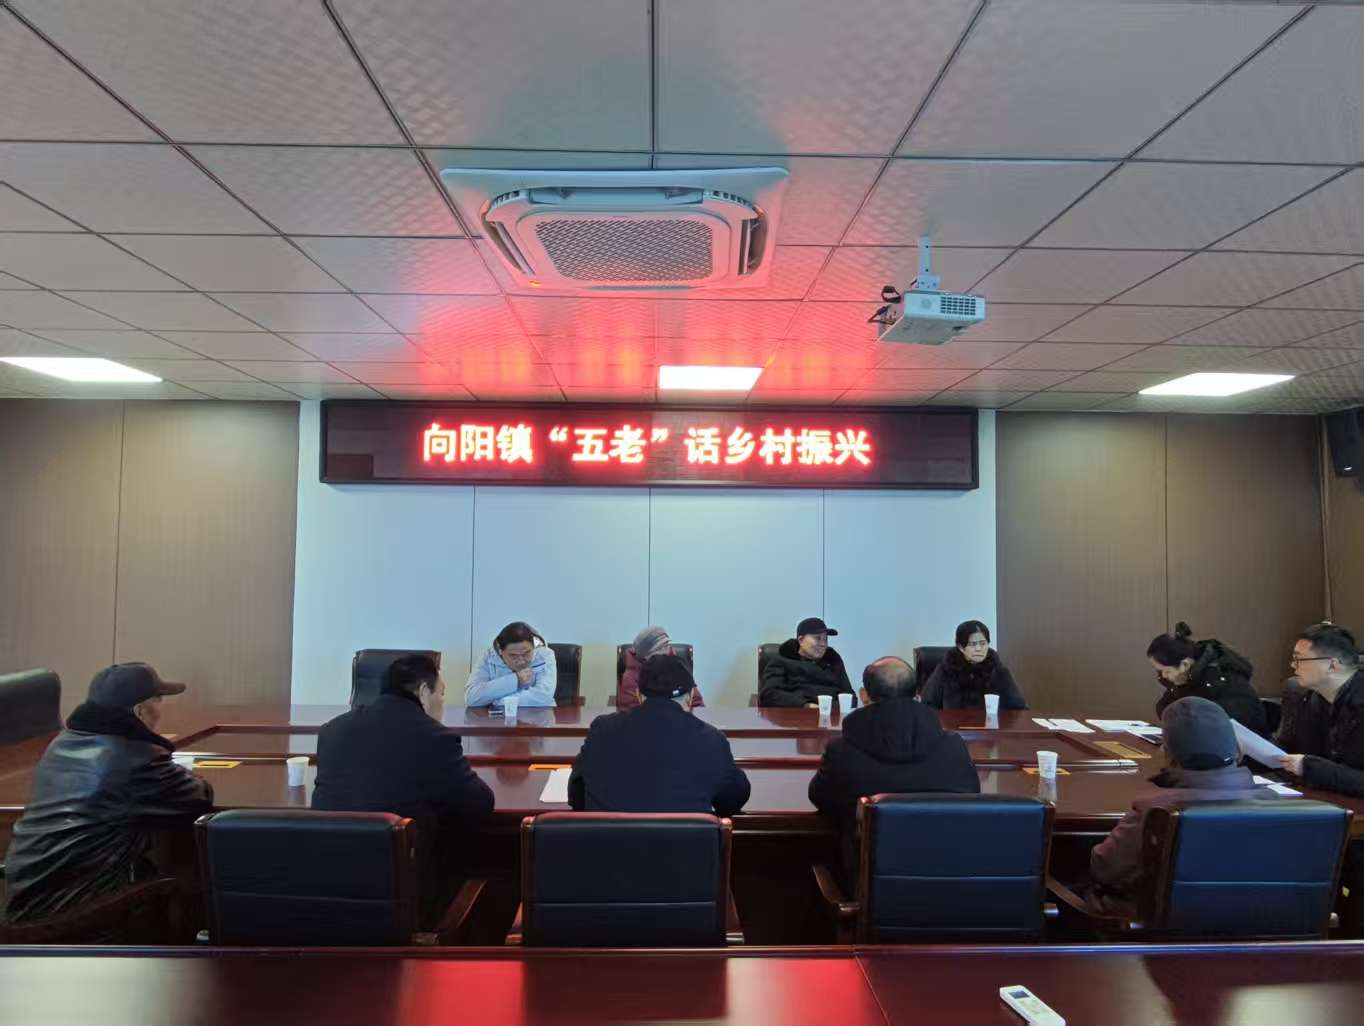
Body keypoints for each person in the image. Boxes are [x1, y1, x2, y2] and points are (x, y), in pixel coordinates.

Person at [1, 663, 213, 925]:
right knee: (188, 885)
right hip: (78, 915)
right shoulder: (135, 759)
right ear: (139, 710)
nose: (161, 709)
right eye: (158, 700)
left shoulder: (60, 744)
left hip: (25, 905)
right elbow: (198, 797)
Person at [313, 654, 493, 923]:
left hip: (326, 894)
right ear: (424, 692)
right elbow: (479, 804)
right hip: (400, 902)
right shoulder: (434, 738)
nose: (442, 703)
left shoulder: (333, 730)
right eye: (441, 694)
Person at [1086, 697, 1275, 915]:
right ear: (1238, 750)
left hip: (1157, 928)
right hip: (1257, 925)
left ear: (1167, 755)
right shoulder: (1272, 804)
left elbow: (1105, 870)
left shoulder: (1155, 809)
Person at [809, 656, 980, 883]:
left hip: (868, 887)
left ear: (864, 696)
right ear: (917, 696)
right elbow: (971, 796)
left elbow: (821, 798)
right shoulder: (953, 747)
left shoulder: (841, 751)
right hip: (949, 883)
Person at [569, 654, 749, 816]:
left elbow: (576, 795)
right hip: (686, 844)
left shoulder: (602, 730)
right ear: (690, 697)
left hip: (608, 843)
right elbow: (732, 800)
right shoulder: (711, 740)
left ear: (638, 695)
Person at [1276, 623, 1364, 796]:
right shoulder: (1302, 696)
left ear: (1332, 665)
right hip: (1316, 797)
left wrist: (1309, 767)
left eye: (1299, 659)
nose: (1293, 665)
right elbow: (1286, 749)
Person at [1146, 622, 1267, 735]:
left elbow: (1210, 723)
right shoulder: (1185, 678)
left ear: (1185, 665)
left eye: (1166, 671)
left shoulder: (1223, 679)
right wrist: (1180, 687)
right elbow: (1164, 708)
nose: (1163, 676)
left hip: (1246, 745)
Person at [920, 620, 1027, 710]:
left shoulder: (998, 670)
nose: (979, 649)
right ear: (961, 648)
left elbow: (1019, 707)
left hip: (991, 727)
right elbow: (927, 704)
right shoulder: (946, 669)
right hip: (953, 726)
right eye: (972, 644)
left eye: (983, 643)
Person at [760, 616, 854, 708]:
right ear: (801, 640)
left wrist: (827, 707)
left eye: (825, 639)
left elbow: (850, 697)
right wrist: (805, 705)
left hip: (831, 714)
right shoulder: (782, 659)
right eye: (817, 638)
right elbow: (769, 694)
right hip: (797, 714)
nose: (823, 644)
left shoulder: (833, 659)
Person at [465, 621, 557, 708]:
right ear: (500, 650)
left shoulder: (545, 655)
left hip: (539, 716)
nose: (521, 661)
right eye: (513, 655)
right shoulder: (488, 657)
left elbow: (543, 697)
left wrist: (499, 701)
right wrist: (515, 680)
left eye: (526, 653)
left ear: (533, 647)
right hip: (498, 717)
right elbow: (472, 698)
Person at [617, 625, 704, 711]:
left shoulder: (677, 667)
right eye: (658, 649)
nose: (664, 652)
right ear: (644, 656)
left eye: (666, 646)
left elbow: (696, 702)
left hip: (680, 717)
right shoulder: (631, 676)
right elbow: (630, 711)